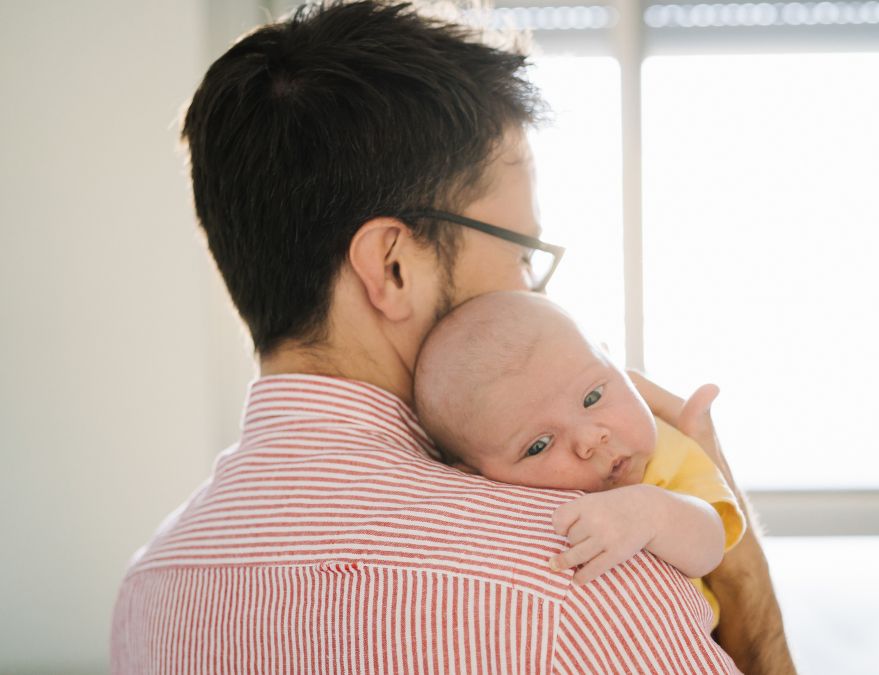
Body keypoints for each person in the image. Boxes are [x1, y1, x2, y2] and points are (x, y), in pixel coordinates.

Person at [110, 1, 795, 673]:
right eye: (520, 252)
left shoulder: (148, 591)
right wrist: (742, 576)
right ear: (393, 267)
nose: (531, 292)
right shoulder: (583, 572)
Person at [413, 291, 745, 629]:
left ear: (619, 369)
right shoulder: (498, 518)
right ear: (474, 478)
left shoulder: (668, 451)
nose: (589, 440)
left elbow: (712, 545)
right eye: (539, 445)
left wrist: (652, 512)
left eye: (593, 396)